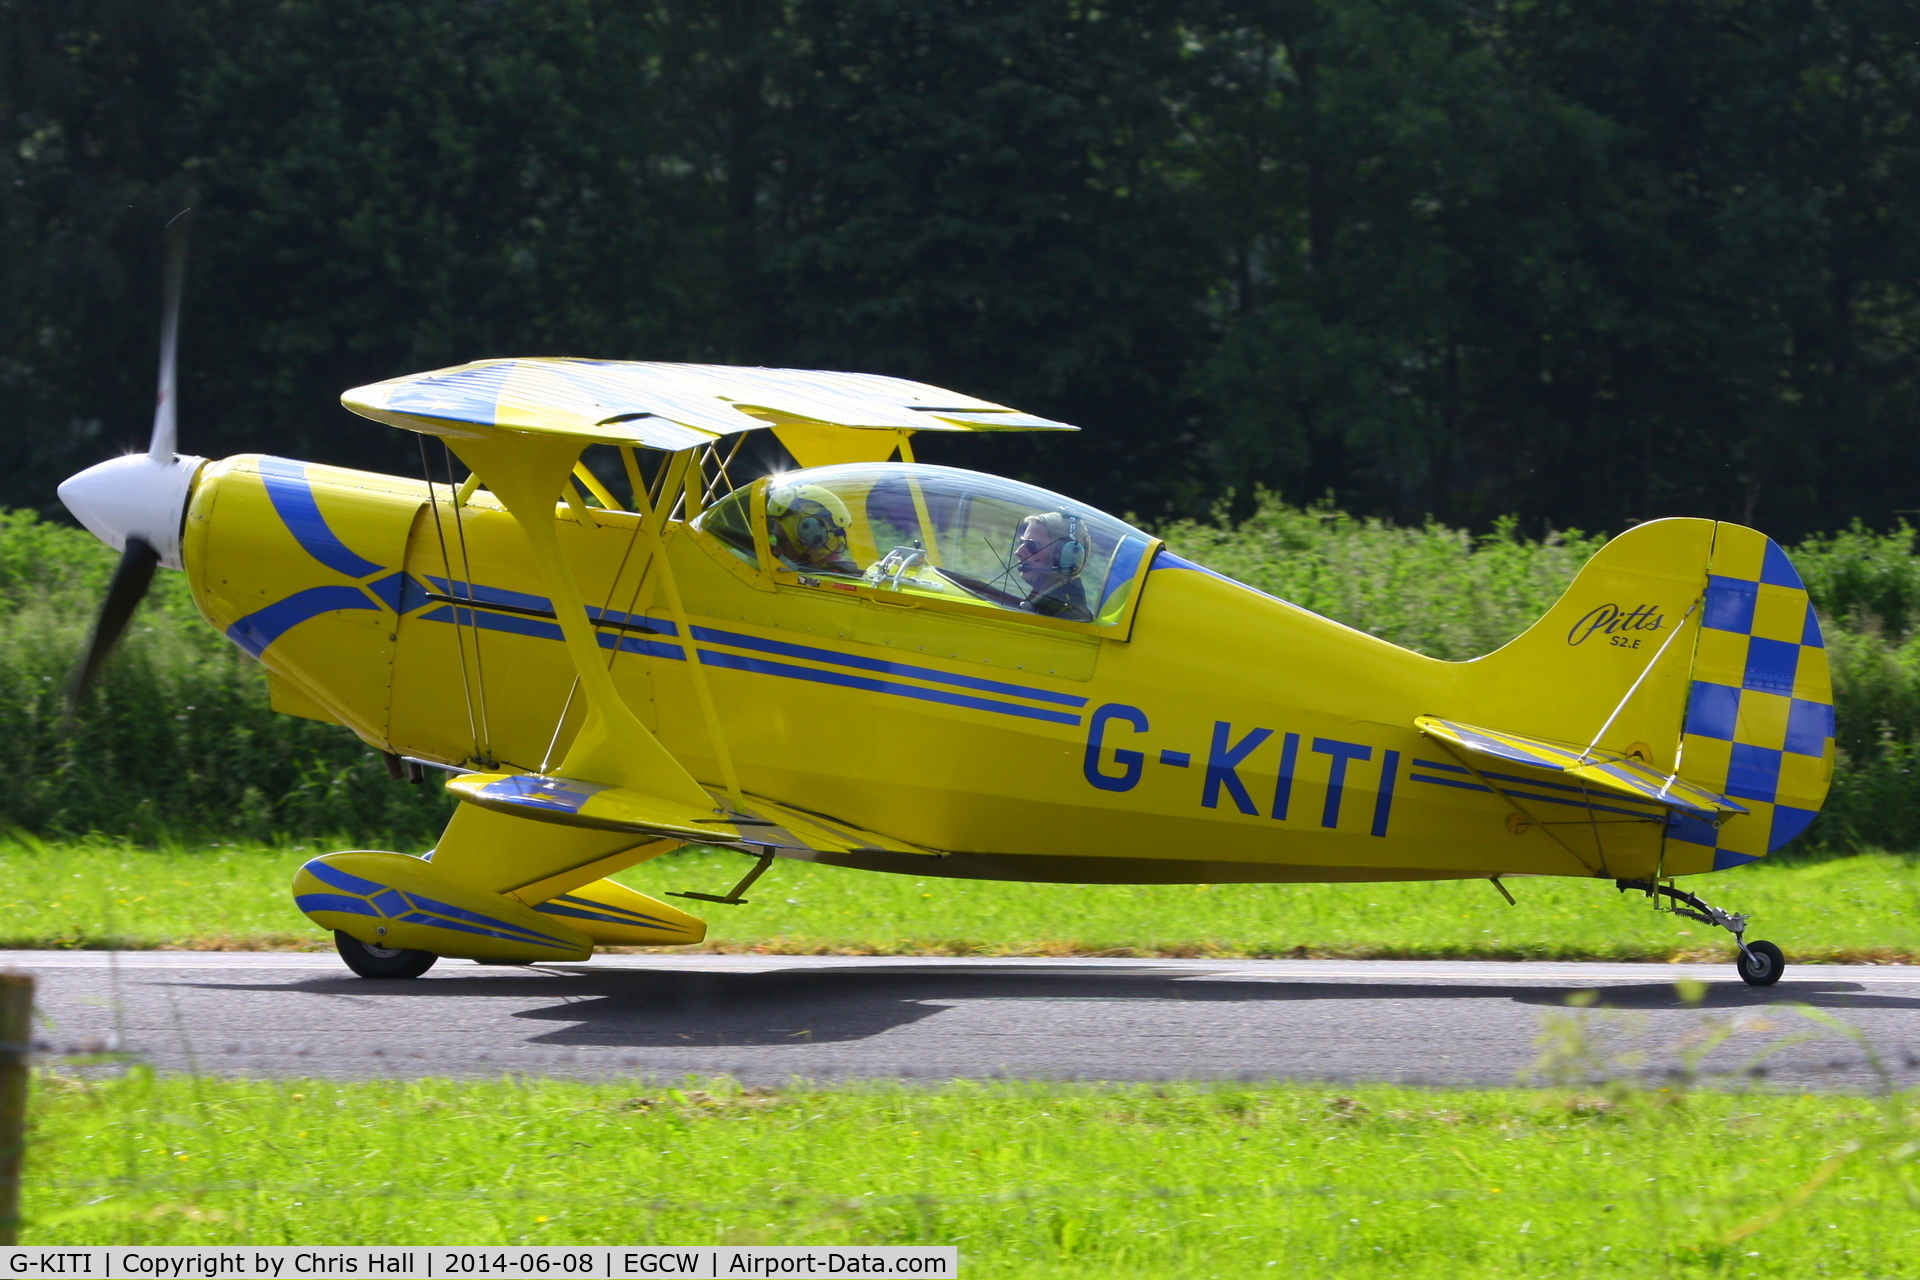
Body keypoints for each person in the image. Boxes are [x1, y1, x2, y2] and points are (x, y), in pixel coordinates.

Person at [766, 480, 862, 576]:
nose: (777, 550)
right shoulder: (850, 576)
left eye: (781, 540)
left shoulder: (822, 585)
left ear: (812, 537)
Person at [1013, 511, 1093, 621]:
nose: (1018, 552)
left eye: (1032, 545)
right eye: (1021, 542)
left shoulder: (1066, 616)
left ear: (1066, 556)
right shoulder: (1044, 598)